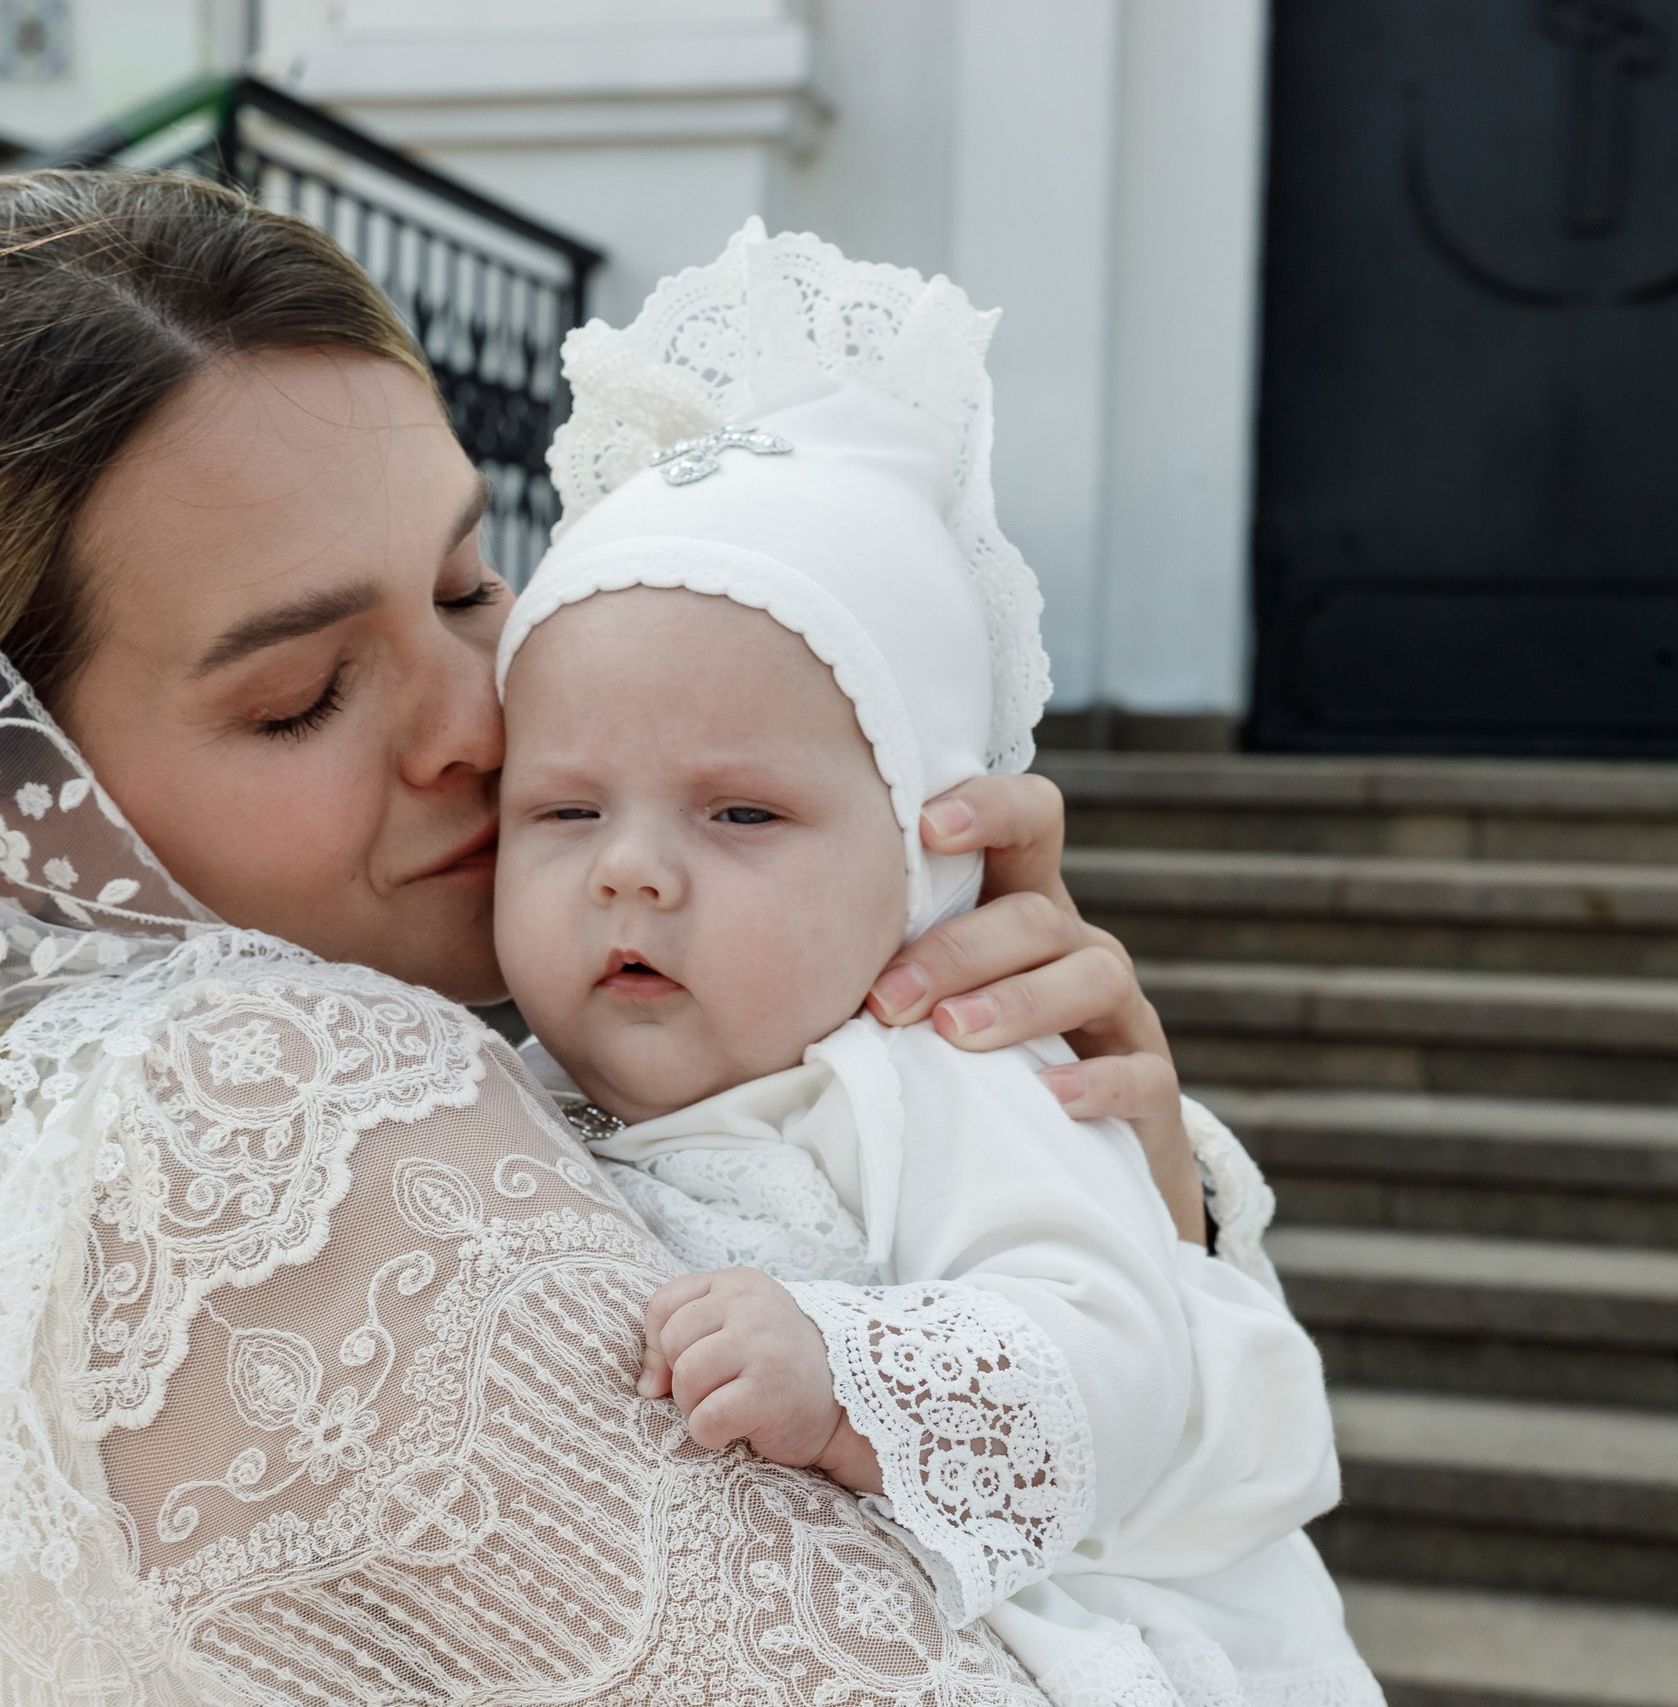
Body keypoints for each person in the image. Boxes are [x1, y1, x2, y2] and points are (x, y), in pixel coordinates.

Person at [0, 172, 1233, 1707]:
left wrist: (1084, 1182)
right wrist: (1153, 1285)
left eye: (467, 584)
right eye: (299, 698)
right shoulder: (251, 1117)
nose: (481, 726)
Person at [494, 222, 1379, 1706]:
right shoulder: (497, 1085)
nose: (629, 868)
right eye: (563, 810)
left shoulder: (947, 1067)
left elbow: (1117, 1345)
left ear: (927, 858)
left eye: (744, 813)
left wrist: (852, 1376)